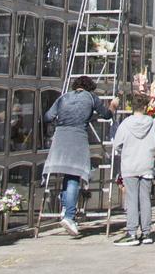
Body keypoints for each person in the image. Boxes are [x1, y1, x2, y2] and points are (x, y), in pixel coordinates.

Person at [44, 76, 103, 237]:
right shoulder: (91, 97)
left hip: (60, 138)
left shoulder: (63, 98)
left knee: (66, 175)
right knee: (74, 177)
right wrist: (112, 107)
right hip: (77, 138)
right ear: (90, 87)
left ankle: (66, 209)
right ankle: (69, 216)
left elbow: (48, 116)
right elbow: (106, 115)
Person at [110, 95, 155, 245]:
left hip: (130, 165)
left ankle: (131, 233)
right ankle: (147, 233)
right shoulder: (152, 123)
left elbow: (117, 144)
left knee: (132, 199)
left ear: (132, 107)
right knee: (145, 199)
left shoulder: (125, 124)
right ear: (145, 107)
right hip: (146, 165)